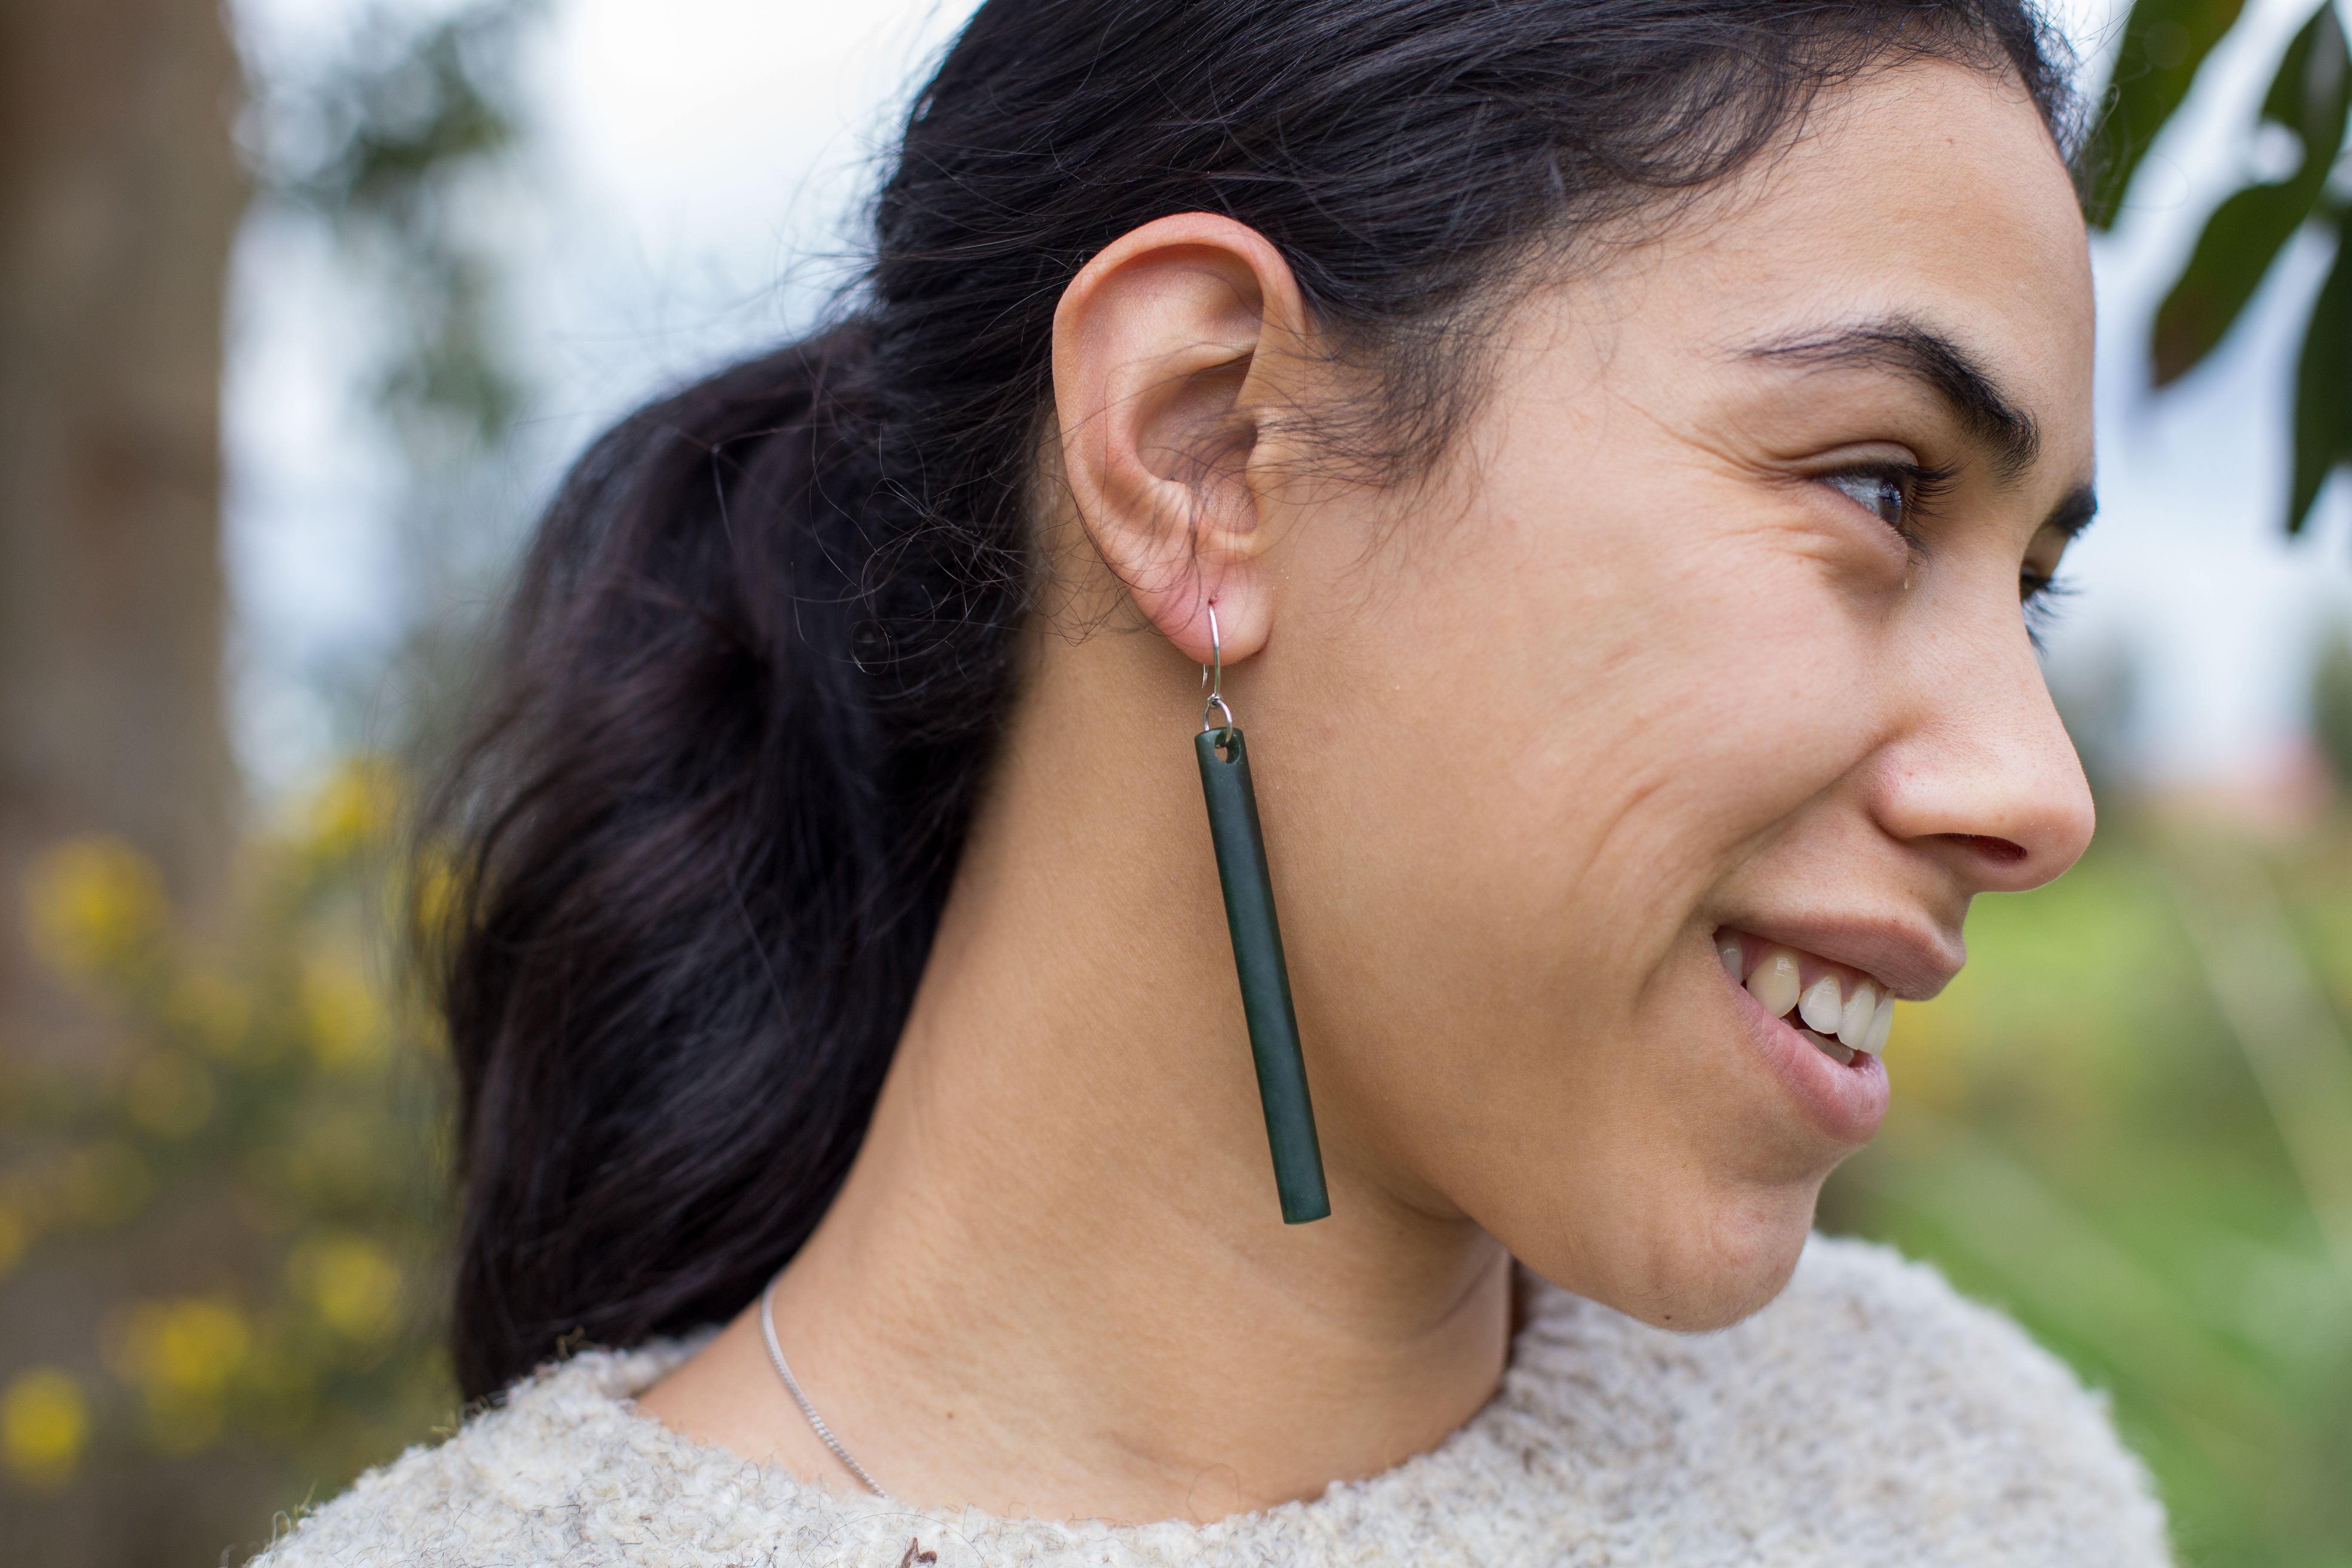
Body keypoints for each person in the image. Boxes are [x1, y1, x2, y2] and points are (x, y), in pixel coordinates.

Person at [258, 0, 2173, 1562]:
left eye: (2030, 590)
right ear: (1209, 449)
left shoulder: (1963, 1488)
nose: (2038, 790)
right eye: (1877, 485)